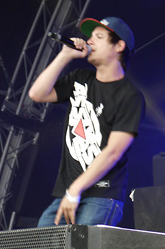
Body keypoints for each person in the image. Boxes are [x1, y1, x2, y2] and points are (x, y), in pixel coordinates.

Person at [29, 16, 144, 227]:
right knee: (41, 245)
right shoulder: (80, 78)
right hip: (68, 194)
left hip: (101, 196)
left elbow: (113, 152)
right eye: (90, 37)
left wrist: (75, 190)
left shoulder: (130, 96)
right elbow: (37, 94)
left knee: (80, 248)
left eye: (98, 37)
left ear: (119, 46)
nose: (89, 41)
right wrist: (64, 55)